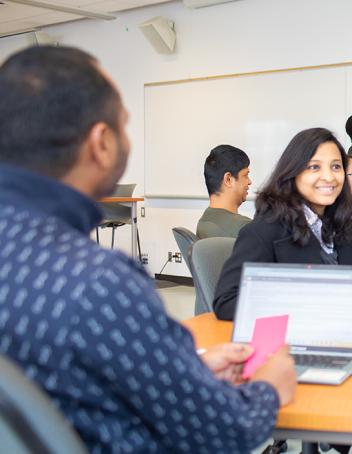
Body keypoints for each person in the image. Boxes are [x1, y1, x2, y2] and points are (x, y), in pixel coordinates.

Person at [0, 46, 296, 452]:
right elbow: (225, 430)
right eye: (123, 125)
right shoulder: (98, 283)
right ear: (101, 143)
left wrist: (184, 372)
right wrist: (269, 388)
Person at [212, 128, 352, 321]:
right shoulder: (264, 230)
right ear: (293, 173)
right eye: (314, 167)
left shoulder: (342, 225)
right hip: (291, 341)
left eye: (336, 167)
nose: (329, 177)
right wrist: (296, 306)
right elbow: (226, 301)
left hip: (343, 335)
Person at [197, 144, 252, 238]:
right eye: (245, 175)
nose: (249, 182)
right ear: (228, 180)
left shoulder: (203, 221)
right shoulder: (244, 228)